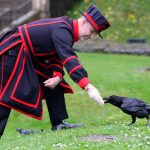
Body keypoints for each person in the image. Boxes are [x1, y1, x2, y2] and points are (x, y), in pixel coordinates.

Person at [0, 5, 110, 137]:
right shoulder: (63, 29)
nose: (91, 36)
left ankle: (58, 124)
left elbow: (56, 55)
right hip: (14, 51)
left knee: (54, 80)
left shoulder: (66, 28)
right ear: (83, 21)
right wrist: (88, 86)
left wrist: (57, 75)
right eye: (92, 31)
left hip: (29, 54)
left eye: (94, 33)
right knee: (5, 95)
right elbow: (69, 59)